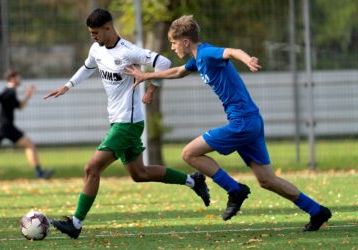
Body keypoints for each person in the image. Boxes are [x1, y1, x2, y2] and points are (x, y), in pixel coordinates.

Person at [125, 15, 332, 232]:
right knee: (267, 180)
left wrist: (247, 59)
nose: (172, 46)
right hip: (250, 120)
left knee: (189, 154)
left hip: (242, 121)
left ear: (185, 41)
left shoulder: (206, 53)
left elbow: (231, 52)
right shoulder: (196, 59)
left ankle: (234, 190)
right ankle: (317, 211)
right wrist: (146, 76)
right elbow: (178, 71)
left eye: (174, 42)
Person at [43, 9, 210, 239]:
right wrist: (68, 86)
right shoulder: (96, 49)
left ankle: (76, 223)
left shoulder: (129, 51)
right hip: (118, 122)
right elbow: (88, 67)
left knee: (91, 168)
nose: (93, 36)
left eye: (96, 32)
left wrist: (151, 88)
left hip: (128, 124)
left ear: (108, 28)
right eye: (90, 33)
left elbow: (163, 62)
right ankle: (194, 180)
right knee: (139, 174)